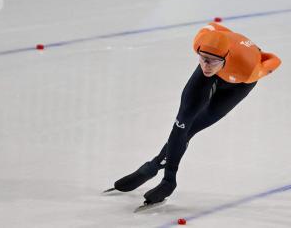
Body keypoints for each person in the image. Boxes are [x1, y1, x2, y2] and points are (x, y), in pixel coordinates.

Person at [111, 22, 281, 205]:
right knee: (183, 123)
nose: (206, 66)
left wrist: (256, 54)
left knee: (193, 127)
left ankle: (155, 168)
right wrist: (217, 47)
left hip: (238, 84)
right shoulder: (201, 44)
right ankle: (163, 175)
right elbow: (213, 27)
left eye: (212, 61)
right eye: (203, 58)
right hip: (220, 68)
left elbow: (274, 60)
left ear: (226, 56)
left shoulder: (250, 69)